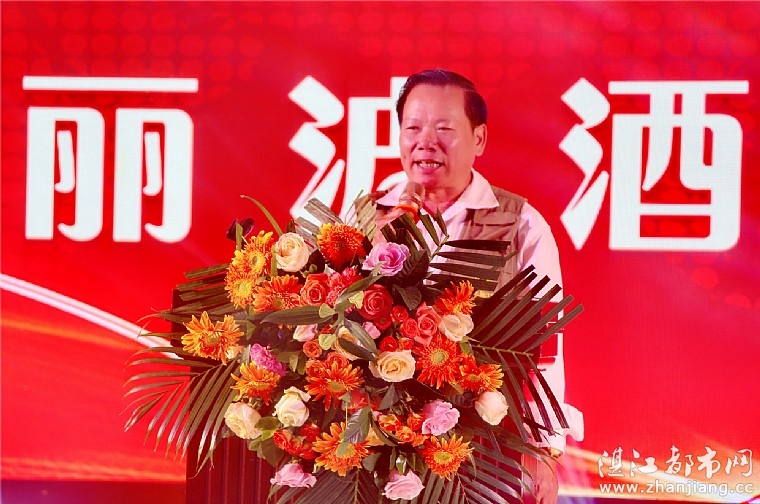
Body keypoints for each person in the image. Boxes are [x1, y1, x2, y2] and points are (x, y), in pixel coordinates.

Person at [374, 69, 584, 504]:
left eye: (444, 128)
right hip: (379, 447)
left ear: (480, 139)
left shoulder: (521, 225)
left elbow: (544, 348)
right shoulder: (369, 215)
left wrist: (543, 449)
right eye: (413, 128)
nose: (425, 142)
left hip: (480, 454)